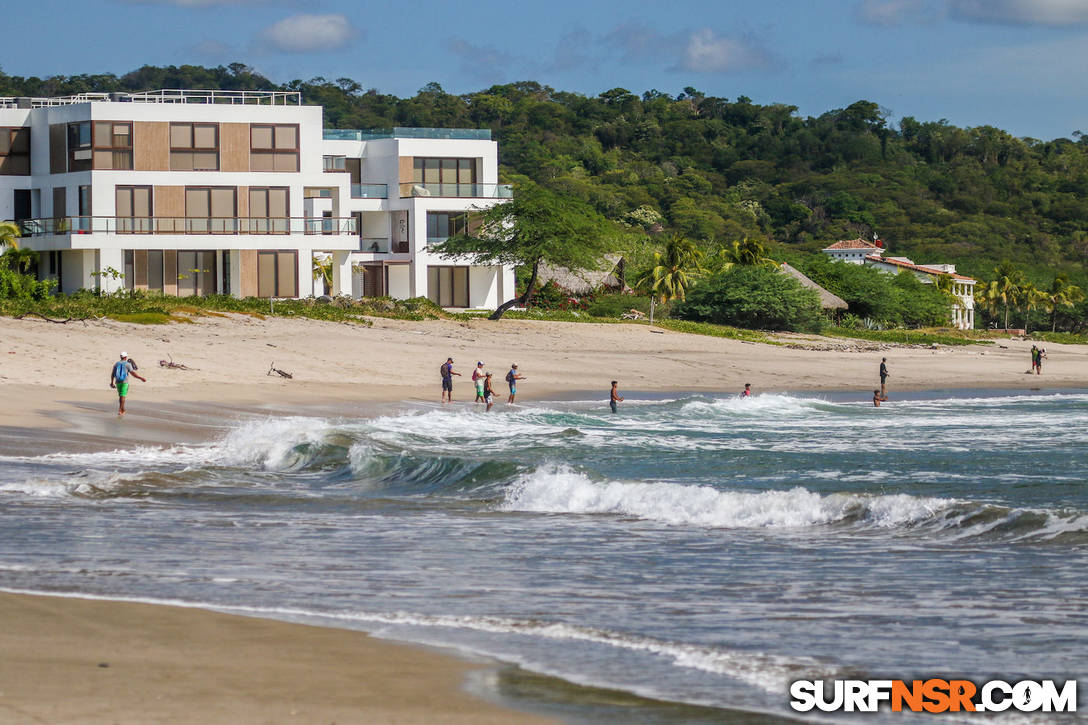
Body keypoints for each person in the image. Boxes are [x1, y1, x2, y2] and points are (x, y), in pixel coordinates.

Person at [109, 351, 146, 417]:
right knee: (122, 396)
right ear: (126, 357)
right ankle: (120, 410)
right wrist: (140, 378)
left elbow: (112, 374)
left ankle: (122, 409)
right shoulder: (128, 364)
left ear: (121, 357)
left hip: (117, 382)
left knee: (121, 396)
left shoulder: (116, 364)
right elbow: (133, 374)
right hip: (124, 382)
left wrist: (111, 382)